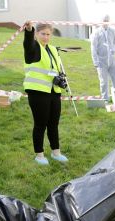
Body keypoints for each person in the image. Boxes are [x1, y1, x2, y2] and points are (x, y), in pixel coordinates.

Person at [23, 21, 69, 165]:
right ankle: (40, 155)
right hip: (37, 92)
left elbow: (54, 69)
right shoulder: (34, 48)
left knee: (53, 124)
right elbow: (28, 45)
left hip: (53, 91)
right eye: (43, 34)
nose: (46, 37)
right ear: (37, 34)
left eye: (48, 34)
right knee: (40, 124)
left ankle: (56, 152)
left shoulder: (52, 49)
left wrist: (61, 79)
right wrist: (29, 31)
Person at [91, 14, 115, 102]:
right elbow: (93, 48)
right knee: (104, 82)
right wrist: (96, 62)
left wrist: (114, 49)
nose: (106, 22)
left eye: (107, 20)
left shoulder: (113, 31)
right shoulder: (96, 33)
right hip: (101, 61)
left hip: (113, 60)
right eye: (104, 20)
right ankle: (105, 99)